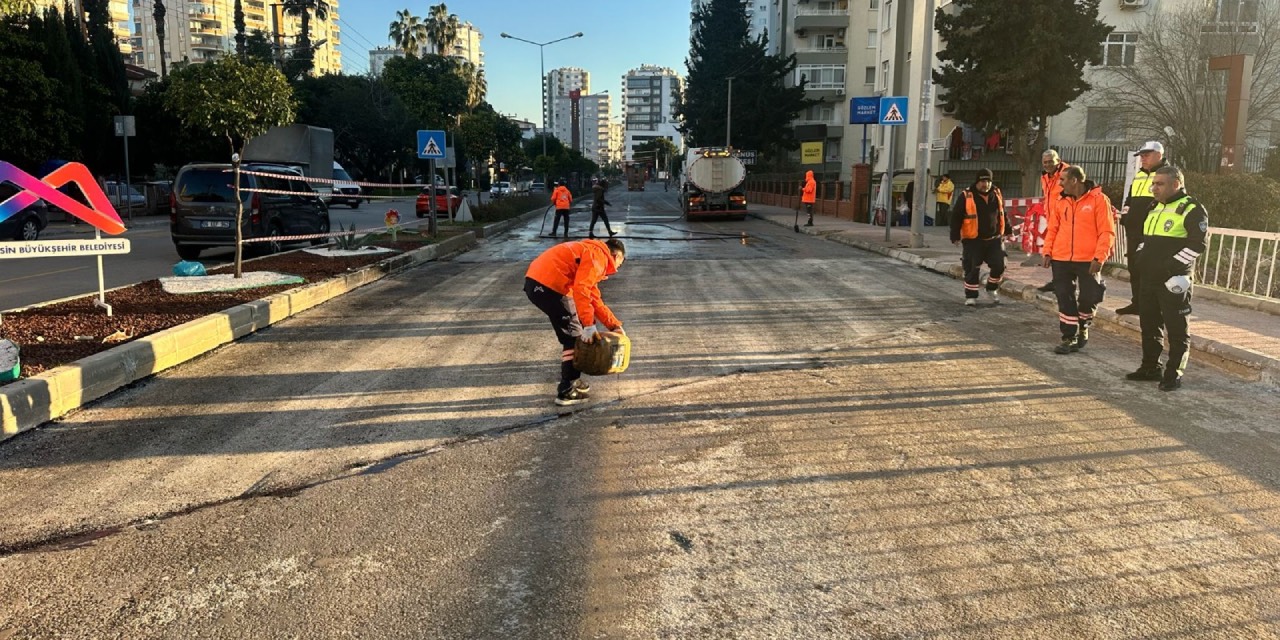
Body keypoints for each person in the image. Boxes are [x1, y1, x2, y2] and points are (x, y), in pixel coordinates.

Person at [1127, 166, 1207, 391]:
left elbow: (1198, 244)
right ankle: (1150, 367)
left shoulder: (1192, 208)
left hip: (1174, 282)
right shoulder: (1154, 207)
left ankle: (1174, 374)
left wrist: (1171, 266)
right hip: (1149, 279)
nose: (1154, 188)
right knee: (1150, 325)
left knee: (1177, 329)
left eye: (1159, 184)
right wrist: (1141, 256)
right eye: (1153, 183)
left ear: (1176, 184)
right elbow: (1146, 238)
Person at [524, 237, 627, 406]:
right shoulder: (598, 256)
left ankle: (574, 379)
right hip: (549, 286)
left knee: (574, 333)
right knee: (573, 337)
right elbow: (581, 290)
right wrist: (588, 325)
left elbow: (593, 298)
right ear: (616, 256)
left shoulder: (589, 252)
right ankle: (567, 389)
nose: (618, 267)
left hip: (539, 283)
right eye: (621, 263)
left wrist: (614, 325)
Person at [1041, 166, 1115, 354]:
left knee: (1089, 297)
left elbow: (1106, 231)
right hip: (1061, 258)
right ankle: (1069, 337)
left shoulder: (1099, 200)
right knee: (1064, 297)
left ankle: (1083, 326)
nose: (1060, 183)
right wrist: (1047, 252)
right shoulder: (1060, 201)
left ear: (1075, 180)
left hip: (1088, 259)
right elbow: (1053, 228)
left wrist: (1100, 257)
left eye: (1063, 180)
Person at [1116, 141, 1168, 315]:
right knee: (1134, 268)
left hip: (1152, 231)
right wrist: (1126, 216)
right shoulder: (1139, 174)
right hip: (1134, 229)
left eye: (1147, 155)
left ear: (1158, 155)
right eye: (1142, 156)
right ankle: (1136, 303)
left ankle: (1150, 306)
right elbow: (1130, 198)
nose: (1143, 159)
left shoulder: (1166, 175)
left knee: (1149, 269)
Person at [949, 168, 1012, 306]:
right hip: (973, 240)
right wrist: (955, 235)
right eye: (983, 181)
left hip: (994, 239)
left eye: (988, 181)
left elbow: (1002, 213)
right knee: (972, 268)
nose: (986, 184)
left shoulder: (996, 193)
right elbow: (956, 216)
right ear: (977, 182)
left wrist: (1008, 230)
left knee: (1000, 265)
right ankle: (971, 296)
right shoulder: (966, 195)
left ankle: (991, 287)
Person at [1036, 150, 1072, 292]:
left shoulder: (1067, 173)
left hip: (1066, 219)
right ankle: (1057, 281)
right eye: (1045, 162)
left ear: (1058, 160)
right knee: (1055, 252)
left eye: (1051, 161)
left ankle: (1064, 283)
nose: (1048, 165)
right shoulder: (1044, 177)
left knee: (1064, 253)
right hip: (1053, 219)